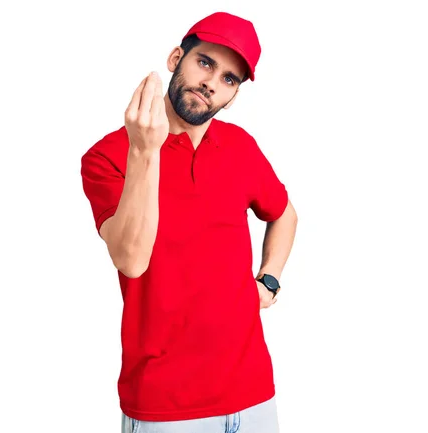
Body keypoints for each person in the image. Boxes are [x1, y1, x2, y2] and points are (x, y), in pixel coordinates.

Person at [80, 11, 298, 433]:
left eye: (229, 79)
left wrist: (268, 280)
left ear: (232, 95)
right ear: (176, 57)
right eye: (205, 63)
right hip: (165, 405)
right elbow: (130, 259)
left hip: (253, 392)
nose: (212, 83)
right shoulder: (108, 156)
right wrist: (146, 151)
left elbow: (284, 213)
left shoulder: (240, 146)